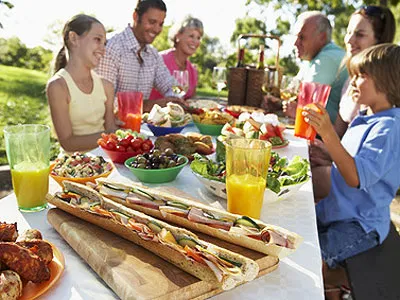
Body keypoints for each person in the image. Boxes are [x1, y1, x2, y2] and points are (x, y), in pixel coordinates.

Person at [303, 43, 400, 300]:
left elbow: (356, 176)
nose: (353, 81)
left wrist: (328, 132)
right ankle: (334, 284)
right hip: (338, 210)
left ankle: (342, 279)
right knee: (296, 236)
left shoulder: (390, 128)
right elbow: (346, 161)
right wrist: (326, 151)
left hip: (359, 224)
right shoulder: (368, 118)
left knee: (311, 261)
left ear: (387, 81)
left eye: (360, 76)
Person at [310, 5, 396, 200]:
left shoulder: (379, 104)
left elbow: (360, 170)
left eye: (359, 34)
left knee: (306, 180)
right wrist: (325, 148)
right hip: (345, 168)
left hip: (357, 189)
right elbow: (342, 137)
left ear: (379, 41)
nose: (349, 40)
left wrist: (329, 146)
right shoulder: (352, 81)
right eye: (349, 32)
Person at [95, 0, 186, 112]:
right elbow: (103, 100)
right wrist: (147, 105)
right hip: (110, 127)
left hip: (139, 126)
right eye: (152, 22)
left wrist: (174, 99)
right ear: (136, 16)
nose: (157, 29)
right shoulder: (111, 47)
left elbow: (169, 86)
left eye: (161, 24)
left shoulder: (153, 55)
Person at [46, 14, 118, 152]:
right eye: (97, 40)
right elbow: (68, 143)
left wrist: (117, 131)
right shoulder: (58, 86)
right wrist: (113, 134)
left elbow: (111, 130)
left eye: (104, 43)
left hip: (106, 164)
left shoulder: (106, 86)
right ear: (74, 38)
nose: (103, 49)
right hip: (75, 168)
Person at [264, 11, 348, 124]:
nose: (295, 43)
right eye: (295, 37)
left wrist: (293, 108)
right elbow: (295, 94)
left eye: (301, 37)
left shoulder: (327, 59)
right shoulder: (311, 59)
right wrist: (279, 104)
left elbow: (306, 105)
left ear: (322, 37)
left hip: (323, 137)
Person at [149, 16, 204, 101]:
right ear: (178, 36)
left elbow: (192, 101)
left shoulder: (193, 70)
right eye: (191, 36)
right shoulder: (159, 60)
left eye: (198, 38)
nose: (195, 41)